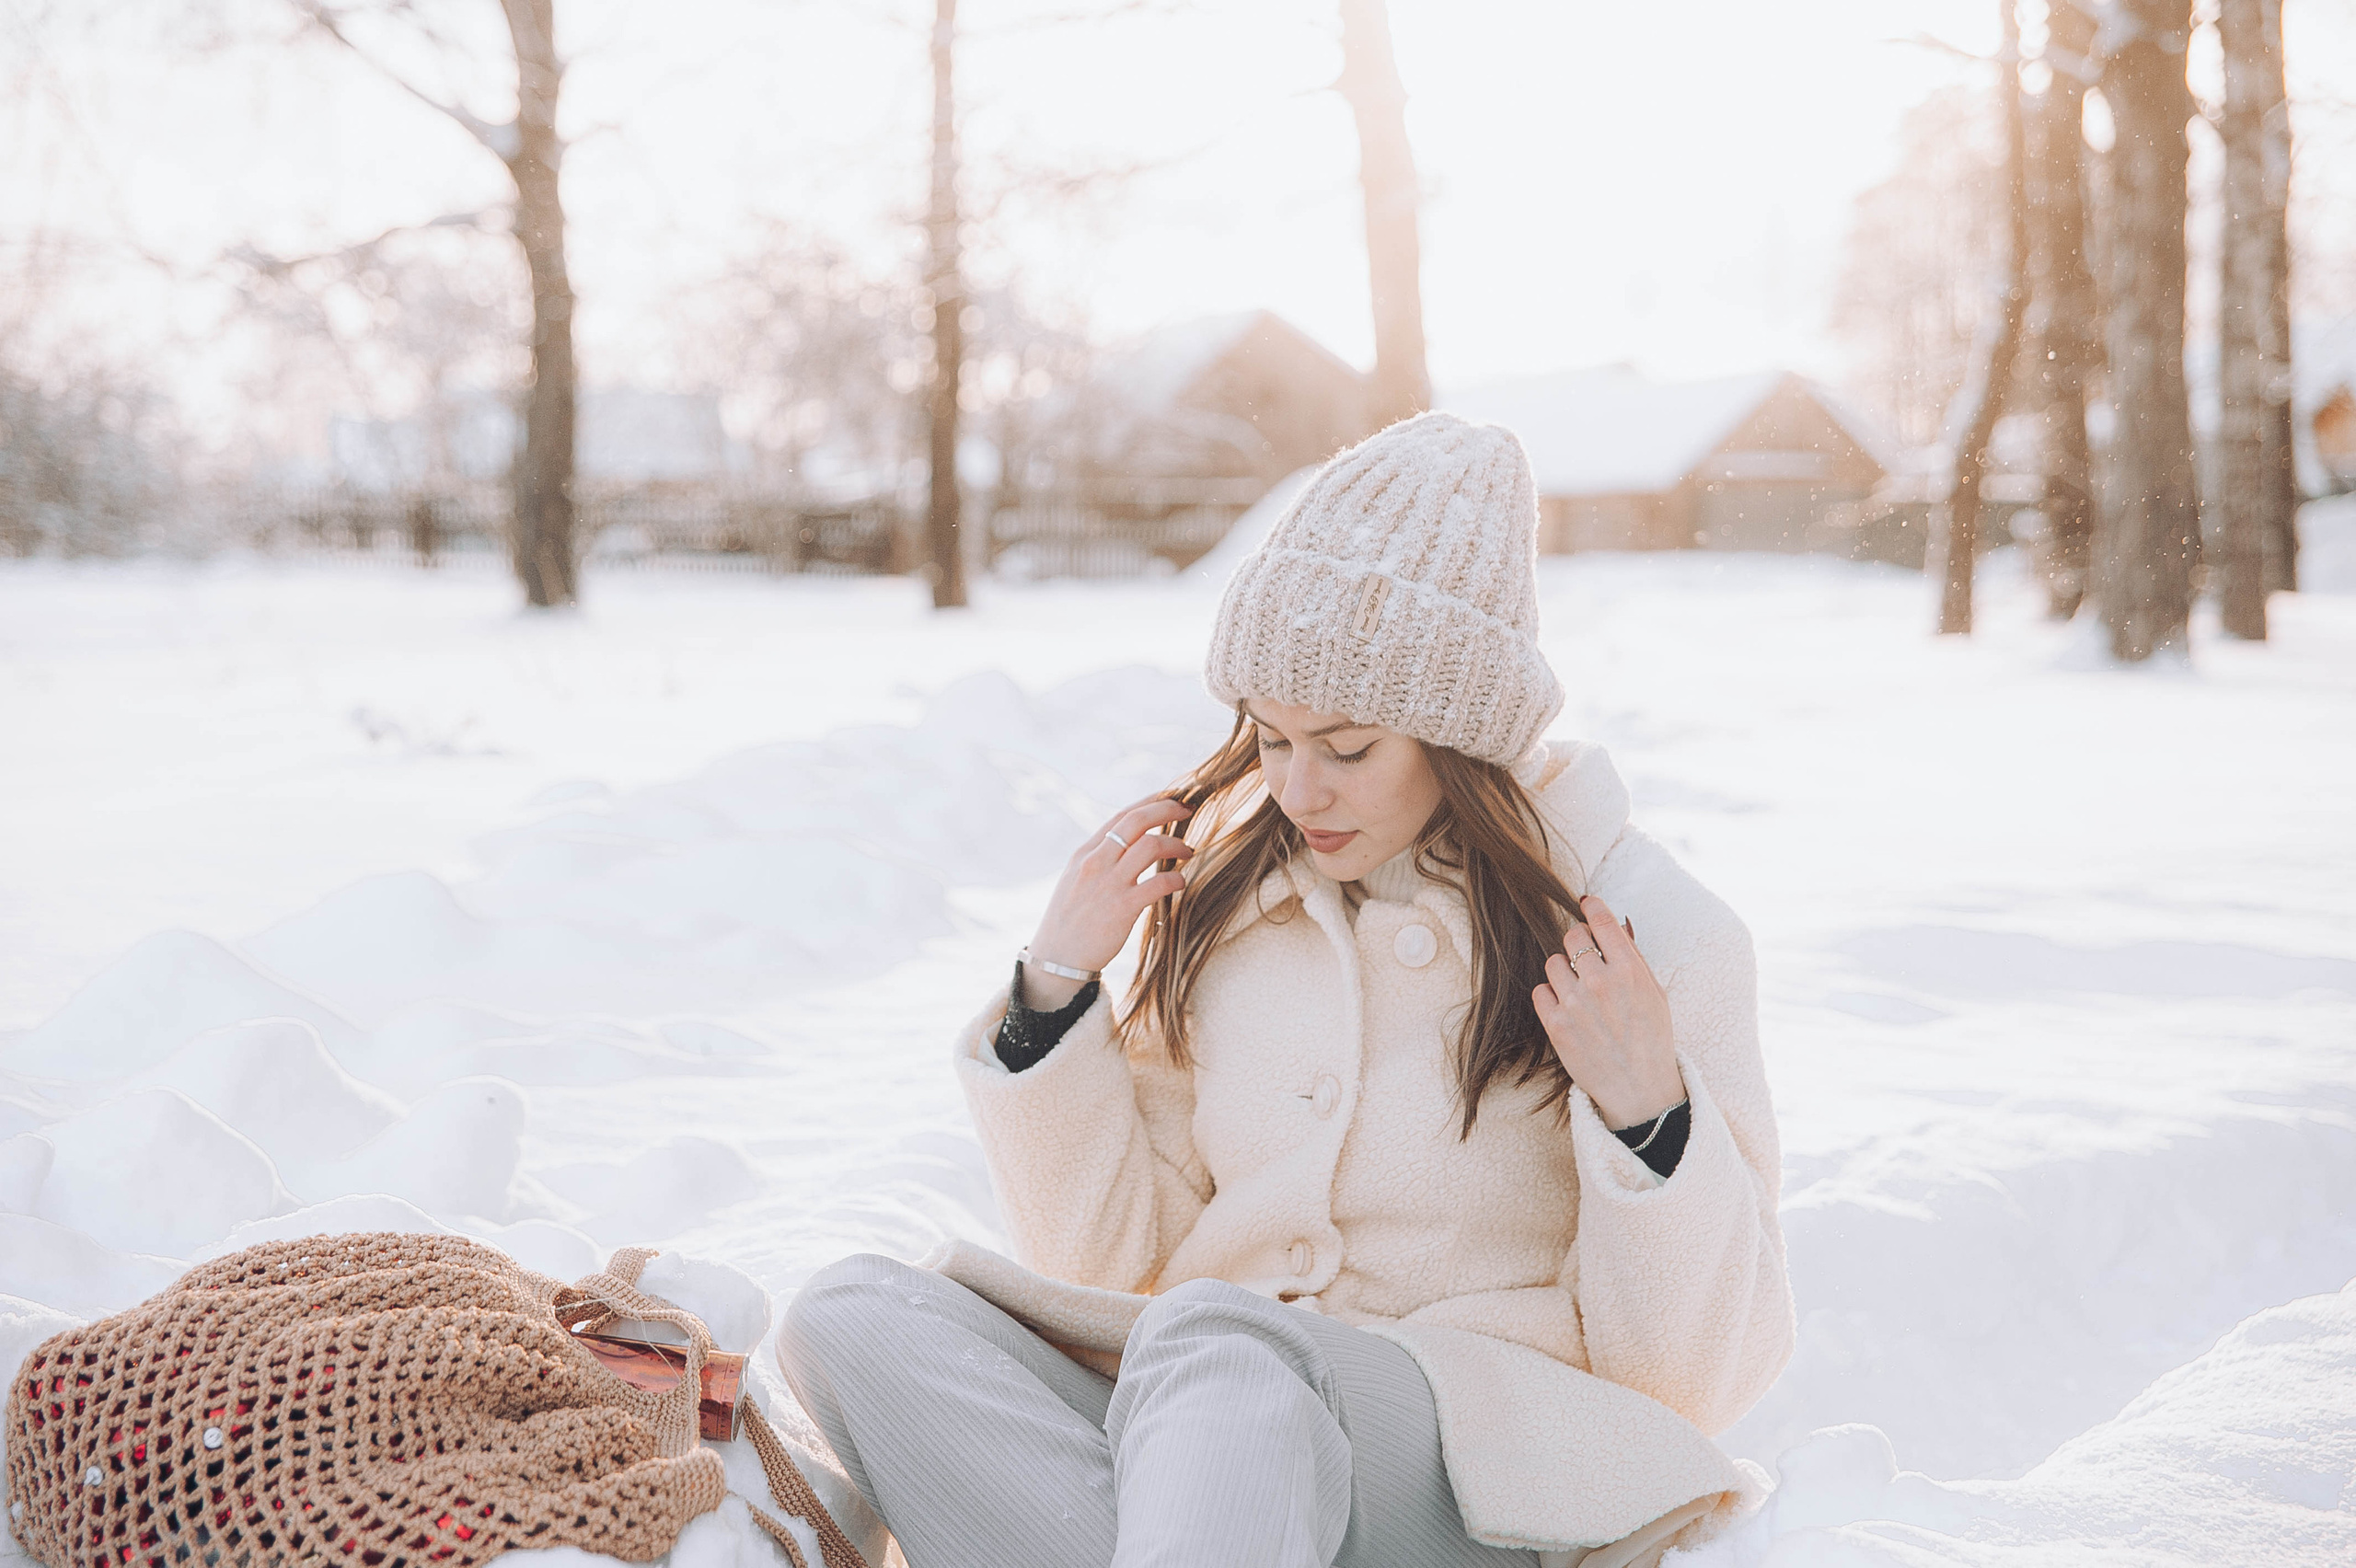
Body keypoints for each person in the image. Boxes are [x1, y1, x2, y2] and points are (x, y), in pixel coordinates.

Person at [776, 413, 1794, 1568]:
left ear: (1460, 732)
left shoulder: (1649, 934)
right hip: (1203, 1431)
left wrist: (1646, 1115)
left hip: (1473, 1469)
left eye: (1348, 748)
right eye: (1267, 740)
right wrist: (1056, 988)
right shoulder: (1232, 910)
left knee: (1224, 1338)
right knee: (853, 1310)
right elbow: (1111, 1266)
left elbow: (1693, 1379)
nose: (1298, 789)